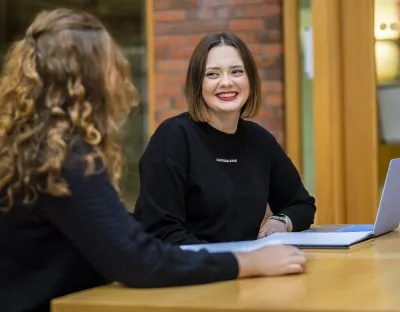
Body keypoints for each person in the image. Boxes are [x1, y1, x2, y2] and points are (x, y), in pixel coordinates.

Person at [0, 9, 307, 312]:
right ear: (86, 79)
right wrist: (246, 262)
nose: (121, 76)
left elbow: (122, 242)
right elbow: (138, 258)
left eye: (236, 71)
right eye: (112, 65)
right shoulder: (63, 159)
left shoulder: (38, 150)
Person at [134, 32, 316, 245]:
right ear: (197, 83)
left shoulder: (260, 141)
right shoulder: (173, 137)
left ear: (250, 79)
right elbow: (161, 232)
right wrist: (235, 264)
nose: (227, 82)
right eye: (212, 74)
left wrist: (281, 220)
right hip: (188, 272)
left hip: (242, 271)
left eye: (237, 72)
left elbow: (302, 205)